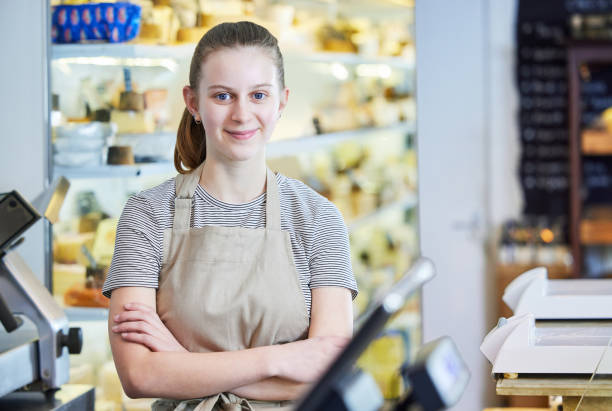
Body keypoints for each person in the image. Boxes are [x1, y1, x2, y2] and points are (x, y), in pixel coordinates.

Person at [102, 21, 358, 410]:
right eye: (223, 96)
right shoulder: (147, 215)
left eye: (258, 95)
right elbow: (138, 375)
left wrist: (182, 365)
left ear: (281, 102)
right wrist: (281, 359)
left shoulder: (318, 218)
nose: (242, 114)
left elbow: (331, 375)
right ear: (193, 102)